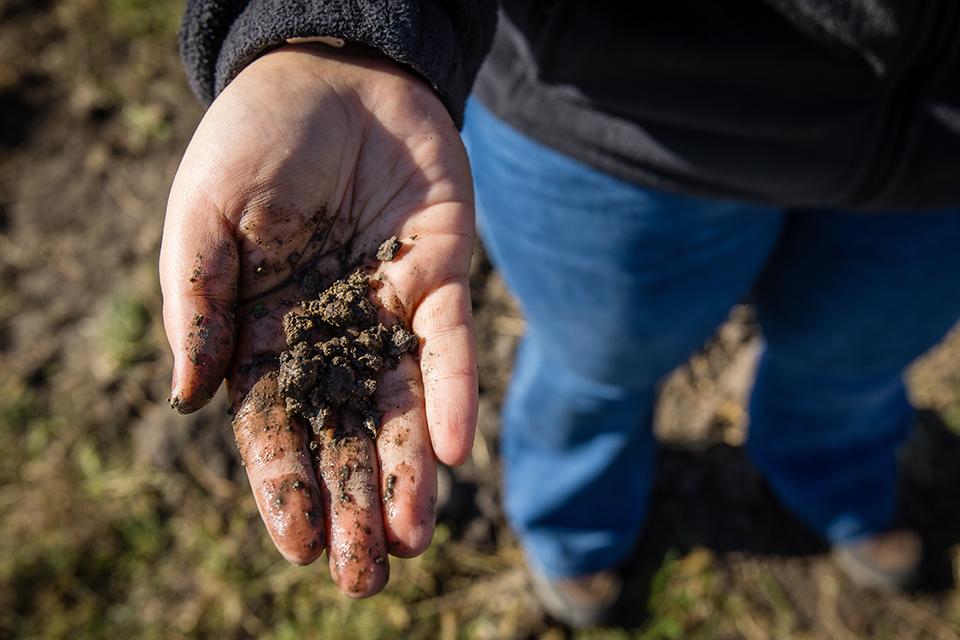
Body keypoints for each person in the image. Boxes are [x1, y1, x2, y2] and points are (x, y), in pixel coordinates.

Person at [161, 1, 960, 628]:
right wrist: (333, 29)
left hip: (937, 157)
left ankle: (837, 477)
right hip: (616, 118)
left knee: (857, 353)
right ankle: (576, 524)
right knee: (599, 359)